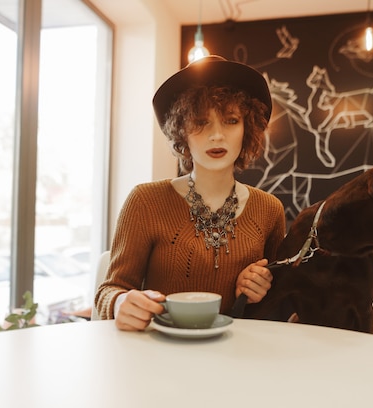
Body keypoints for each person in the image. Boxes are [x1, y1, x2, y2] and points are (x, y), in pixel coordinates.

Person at [95, 55, 286, 331]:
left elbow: (283, 300)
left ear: (247, 129)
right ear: (181, 131)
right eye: (201, 122)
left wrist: (261, 286)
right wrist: (121, 302)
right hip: (160, 355)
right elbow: (108, 290)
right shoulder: (145, 202)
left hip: (238, 358)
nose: (217, 135)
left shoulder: (269, 210)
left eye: (231, 120)